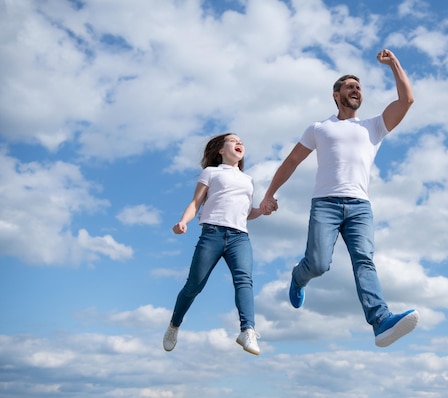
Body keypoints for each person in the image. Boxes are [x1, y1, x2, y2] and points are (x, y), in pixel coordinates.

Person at [260, 49, 418, 347]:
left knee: (364, 261)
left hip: (360, 206)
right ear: (336, 94)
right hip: (326, 205)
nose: (356, 90)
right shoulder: (320, 128)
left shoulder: (373, 126)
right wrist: (270, 194)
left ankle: (381, 321)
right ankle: (298, 277)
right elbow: (292, 161)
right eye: (350, 86)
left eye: (359, 87)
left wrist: (394, 64)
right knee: (318, 264)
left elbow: (406, 100)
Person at [163, 133, 277, 355]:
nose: (239, 143)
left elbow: (246, 213)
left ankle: (247, 330)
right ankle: (174, 325)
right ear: (221, 151)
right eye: (233, 140)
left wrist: (262, 211)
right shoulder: (211, 173)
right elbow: (196, 202)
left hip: (239, 237)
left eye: (241, 141)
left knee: (244, 281)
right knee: (194, 286)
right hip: (212, 234)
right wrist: (183, 222)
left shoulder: (248, 179)